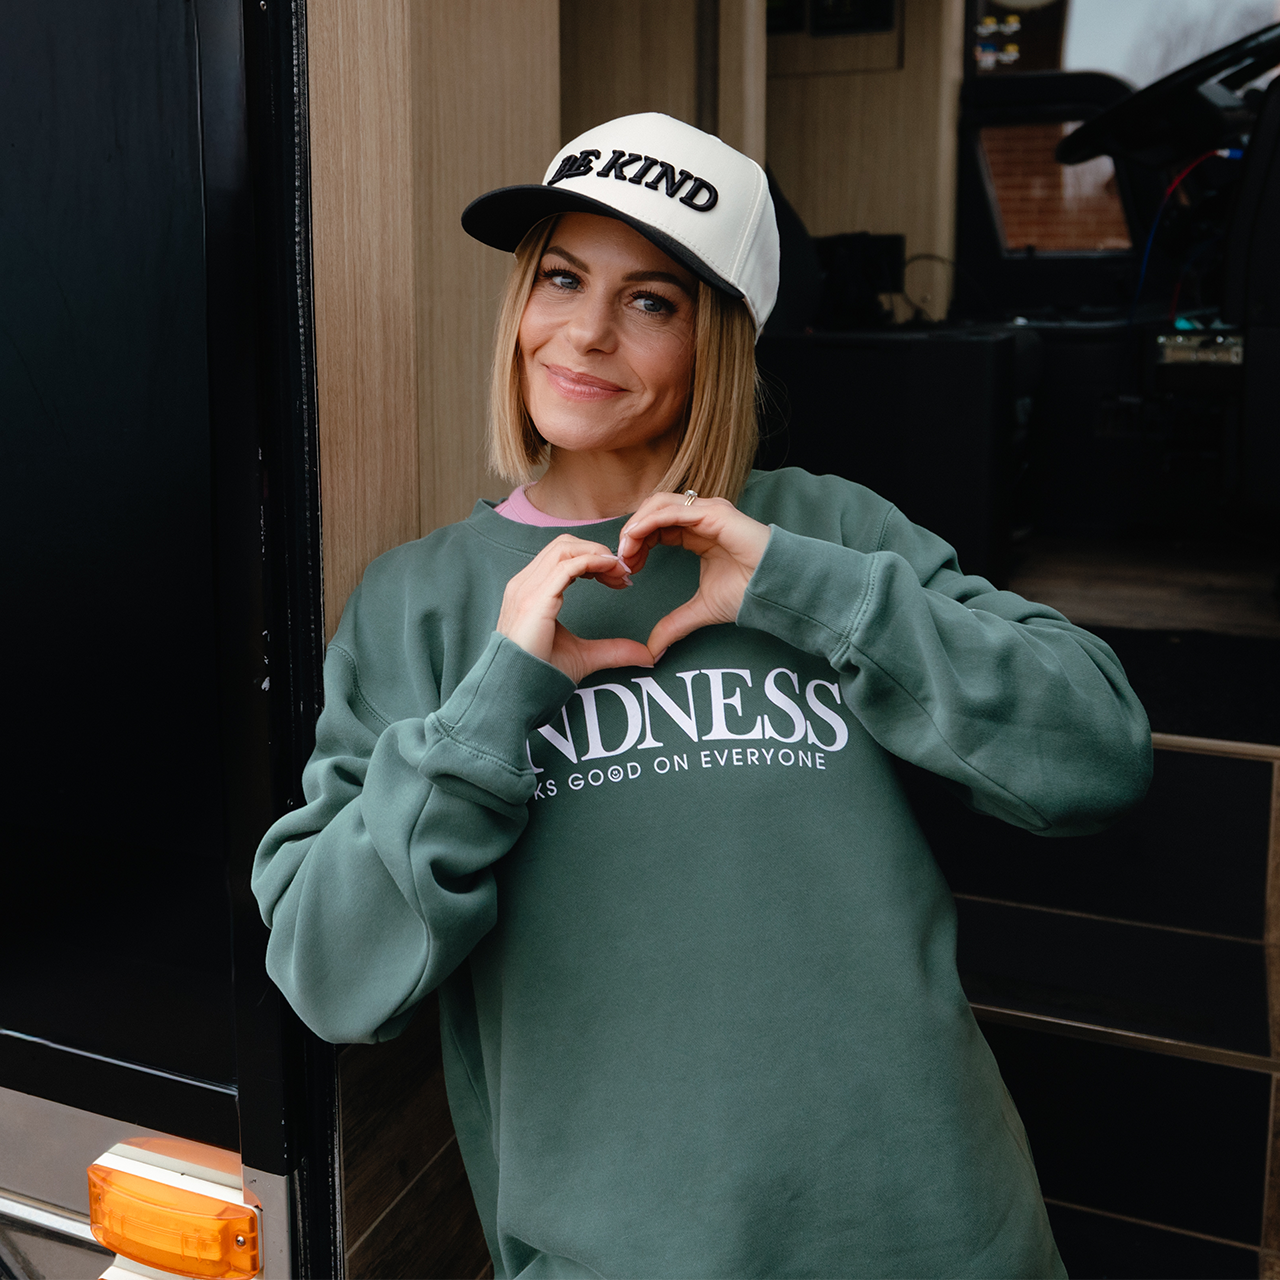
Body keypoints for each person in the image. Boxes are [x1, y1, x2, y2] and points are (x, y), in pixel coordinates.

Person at [253, 113, 1151, 1279]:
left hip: (934, 1229)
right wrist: (492, 704)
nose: (582, 331)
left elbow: (1096, 755)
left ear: (718, 340)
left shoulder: (826, 528)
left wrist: (801, 588)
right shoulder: (418, 598)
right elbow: (332, 975)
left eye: (651, 300)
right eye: (561, 278)